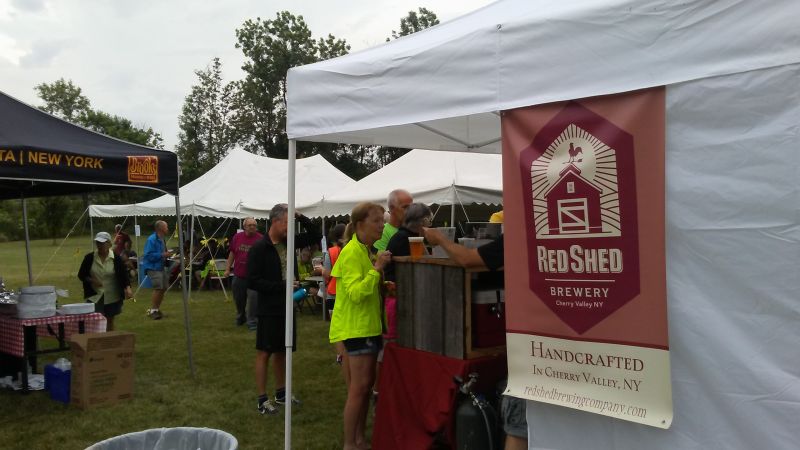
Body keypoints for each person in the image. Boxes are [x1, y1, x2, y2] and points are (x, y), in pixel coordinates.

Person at [423, 229, 525, 450]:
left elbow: (467, 259)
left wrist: (439, 238)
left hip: (533, 348)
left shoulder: (522, 232)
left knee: (520, 424)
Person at [329, 202, 392, 450]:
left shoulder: (367, 250)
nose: (382, 225)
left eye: (382, 220)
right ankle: (349, 444)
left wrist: (381, 283)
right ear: (359, 225)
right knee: (358, 389)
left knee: (365, 389)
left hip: (368, 328)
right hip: (356, 330)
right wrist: (377, 271)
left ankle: (359, 440)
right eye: (377, 220)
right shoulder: (352, 253)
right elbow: (355, 293)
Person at [248, 204, 300, 415]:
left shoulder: (288, 243)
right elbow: (252, 281)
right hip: (269, 308)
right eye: (288, 222)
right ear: (276, 221)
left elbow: (314, 235)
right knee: (265, 352)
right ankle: (262, 399)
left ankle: (281, 393)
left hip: (287, 305)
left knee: (282, 350)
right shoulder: (260, 247)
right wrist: (281, 287)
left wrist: (300, 217)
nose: (290, 227)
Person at [78, 231, 132, 331]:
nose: (99, 245)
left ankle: (109, 342)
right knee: (95, 320)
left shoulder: (116, 258)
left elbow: (123, 275)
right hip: (94, 295)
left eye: (102, 243)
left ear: (109, 244)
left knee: (110, 320)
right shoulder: (89, 258)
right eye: (98, 243)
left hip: (112, 295)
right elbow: (81, 275)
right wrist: (92, 280)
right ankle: (96, 341)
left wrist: (128, 288)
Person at [224, 217, 263, 329]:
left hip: (254, 277)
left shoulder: (261, 239)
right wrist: (227, 269)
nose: (252, 227)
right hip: (239, 275)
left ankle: (252, 322)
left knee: (253, 300)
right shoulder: (237, 237)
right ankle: (241, 317)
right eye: (249, 225)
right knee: (239, 299)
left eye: (254, 225)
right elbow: (232, 254)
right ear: (244, 226)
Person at [141, 220, 173, 320]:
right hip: (153, 267)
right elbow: (148, 255)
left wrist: (167, 253)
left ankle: (157, 310)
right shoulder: (151, 240)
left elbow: (161, 252)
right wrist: (163, 255)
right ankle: (153, 311)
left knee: (163, 288)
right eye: (166, 227)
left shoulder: (162, 239)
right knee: (158, 288)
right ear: (161, 229)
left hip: (160, 266)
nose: (167, 229)